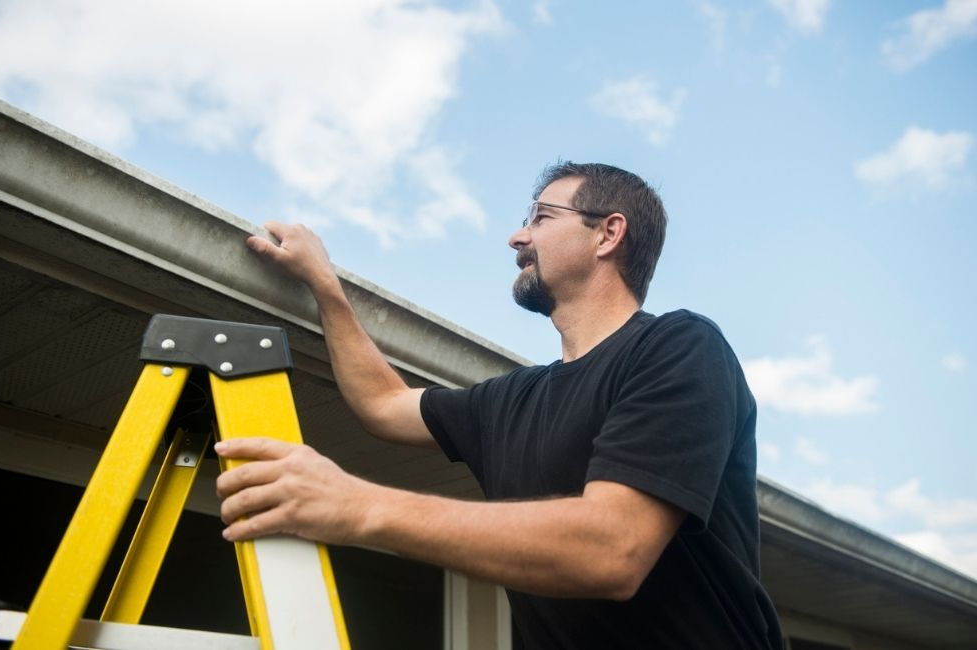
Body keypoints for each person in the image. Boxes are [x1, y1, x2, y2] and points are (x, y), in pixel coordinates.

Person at [216, 162, 784, 649]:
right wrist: (326, 288)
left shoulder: (679, 347)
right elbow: (384, 403)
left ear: (608, 234)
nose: (517, 237)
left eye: (541, 217)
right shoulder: (511, 400)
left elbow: (614, 547)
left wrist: (356, 506)